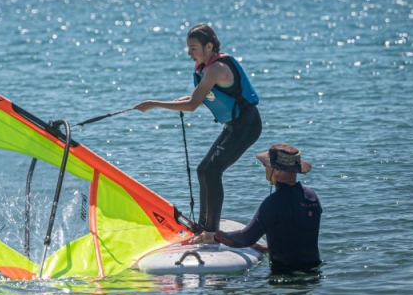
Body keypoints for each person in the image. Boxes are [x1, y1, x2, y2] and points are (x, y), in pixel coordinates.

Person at [134, 24, 261, 242]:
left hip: (247, 125)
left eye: (193, 48)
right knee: (204, 169)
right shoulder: (207, 68)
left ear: (209, 46)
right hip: (234, 125)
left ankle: (210, 233)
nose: (189, 53)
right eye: (188, 48)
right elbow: (205, 98)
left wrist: (154, 104)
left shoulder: (216, 68)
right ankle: (203, 226)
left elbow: (193, 105)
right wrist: (179, 101)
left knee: (213, 171)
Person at [214, 143, 322, 273]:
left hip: (286, 276)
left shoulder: (275, 202)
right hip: (314, 272)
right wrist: (268, 248)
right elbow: (299, 235)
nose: (264, 167)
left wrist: (215, 236)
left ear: (277, 170)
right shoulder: (312, 196)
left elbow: (245, 238)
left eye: (266, 165)